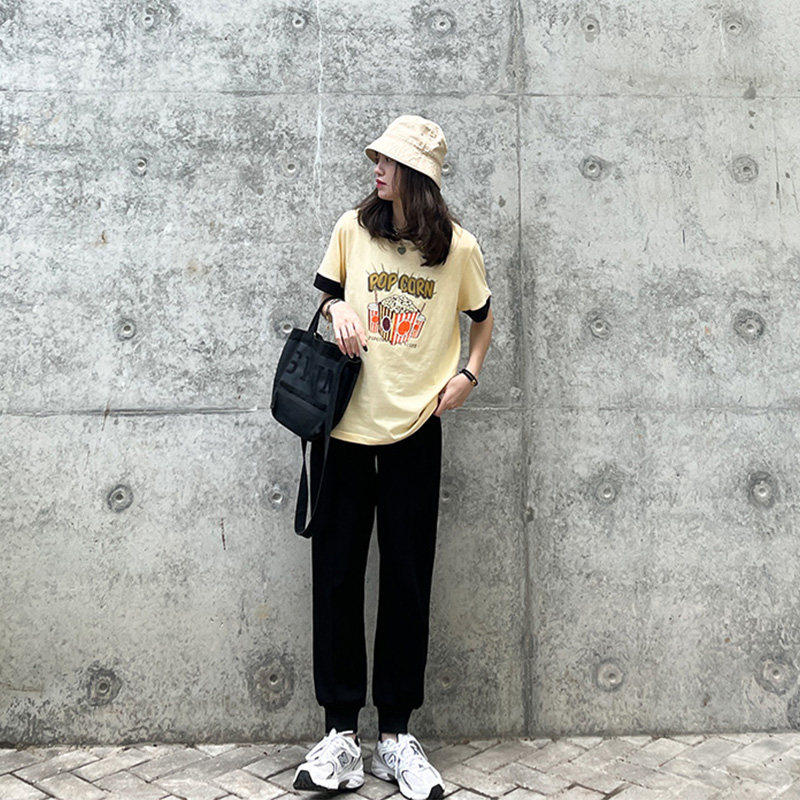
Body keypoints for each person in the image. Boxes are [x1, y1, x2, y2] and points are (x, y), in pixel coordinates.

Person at [292, 114, 494, 800]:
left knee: (407, 582)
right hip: (344, 432)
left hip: (414, 432)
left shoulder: (458, 249)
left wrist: (469, 374)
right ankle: (340, 735)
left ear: (418, 177)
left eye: (389, 161)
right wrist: (337, 310)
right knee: (337, 577)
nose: (376, 167)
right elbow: (328, 296)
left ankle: (397, 737)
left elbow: (483, 317)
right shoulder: (353, 229)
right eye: (376, 158)